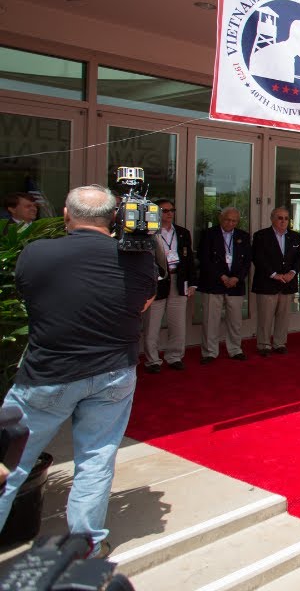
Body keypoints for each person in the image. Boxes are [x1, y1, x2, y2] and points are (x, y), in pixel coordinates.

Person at [0, 185, 156, 557]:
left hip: (49, 374)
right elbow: (143, 303)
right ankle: (86, 544)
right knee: (96, 460)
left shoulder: (37, 252)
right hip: (113, 374)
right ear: (114, 218)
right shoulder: (136, 258)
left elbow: (29, 294)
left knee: (10, 465)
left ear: (67, 216)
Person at [142, 198, 195, 373]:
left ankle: (174, 356)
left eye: (172, 210)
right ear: (156, 212)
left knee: (178, 323)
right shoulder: (149, 232)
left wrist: (192, 283)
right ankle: (152, 360)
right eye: (165, 211)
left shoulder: (182, 232)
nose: (169, 213)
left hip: (178, 281)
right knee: (152, 323)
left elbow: (189, 261)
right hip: (157, 282)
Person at [196, 206, 251, 363]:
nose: (230, 223)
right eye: (228, 219)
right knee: (210, 320)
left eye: (234, 221)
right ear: (221, 218)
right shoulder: (209, 234)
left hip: (235, 284)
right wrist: (221, 276)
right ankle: (209, 352)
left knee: (235, 321)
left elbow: (247, 261)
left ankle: (235, 349)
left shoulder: (243, 236)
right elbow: (204, 258)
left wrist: (236, 278)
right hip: (213, 283)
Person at [250, 206, 300, 356]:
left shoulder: (295, 237)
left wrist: (292, 273)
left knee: (283, 316)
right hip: (267, 283)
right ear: (272, 218)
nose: (283, 221)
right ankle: (264, 345)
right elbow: (258, 258)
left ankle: (279, 343)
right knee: (265, 317)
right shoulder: (261, 236)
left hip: (287, 283)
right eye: (280, 218)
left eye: (286, 218)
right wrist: (273, 274)